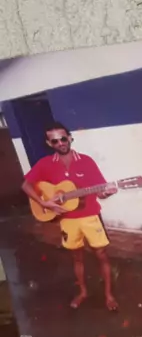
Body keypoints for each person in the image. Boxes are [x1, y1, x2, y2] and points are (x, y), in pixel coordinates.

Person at [21, 123, 119, 310]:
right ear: (49, 143)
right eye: (55, 141)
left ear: (70, 138)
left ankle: (109, 295)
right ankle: (83, 292)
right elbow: (26, 185)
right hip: (66, 219)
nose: (60, 143)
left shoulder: (86, 161)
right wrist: (43, 203)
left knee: (101, 255)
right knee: (77, 257)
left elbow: (100, 191)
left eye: (63, 138)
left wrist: (107, 192)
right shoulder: (45, 164)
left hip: (90, 216)